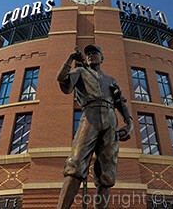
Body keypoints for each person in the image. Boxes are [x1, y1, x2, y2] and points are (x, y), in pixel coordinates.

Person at [56, 45, 134, 209]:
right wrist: (70, 59)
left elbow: (120, 102)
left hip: (110, 119)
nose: (91, 56)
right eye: (88, 54)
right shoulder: (80, 72)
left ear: (101, 57)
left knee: (106, 175)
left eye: (94, 53)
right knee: (75, 166)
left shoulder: (111, 80)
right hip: (90, 116)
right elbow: (61, 78)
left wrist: (129, 122)